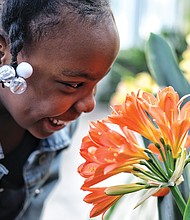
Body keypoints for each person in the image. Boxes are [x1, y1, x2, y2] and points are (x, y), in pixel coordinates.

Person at [0, 0, 120, 219]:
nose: (89, 105)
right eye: (73, 84)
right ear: (3, 51)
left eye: (97, 83)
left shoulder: (60, 131)